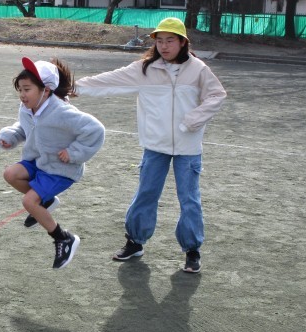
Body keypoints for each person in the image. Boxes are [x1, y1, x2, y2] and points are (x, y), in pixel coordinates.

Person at [73, 17, 226, 273]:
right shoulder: (144, 69)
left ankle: (192, 250)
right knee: (146, 194)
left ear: (182, 42)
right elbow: (109, 80)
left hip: (188, 147)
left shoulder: (198, 69)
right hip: (155, 145)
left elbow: (216, 95)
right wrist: (74, 87)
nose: (164, 46)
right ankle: (135, 242)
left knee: (189, 199)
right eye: (159, 41)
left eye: (170, 41)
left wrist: (193, 120)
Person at [0, 57, 105, 269]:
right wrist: (10, 137)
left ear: (46, 91)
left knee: (29, 202)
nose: (22, 95)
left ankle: (64, 239)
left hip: (60, 169)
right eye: (20, 89)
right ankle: (45, 202)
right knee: (11, 174)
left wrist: (73, 153)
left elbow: (96, 130)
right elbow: (24, 127)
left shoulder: (62, 112)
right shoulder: (27, 108)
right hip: (39, 162)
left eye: (27, 89)